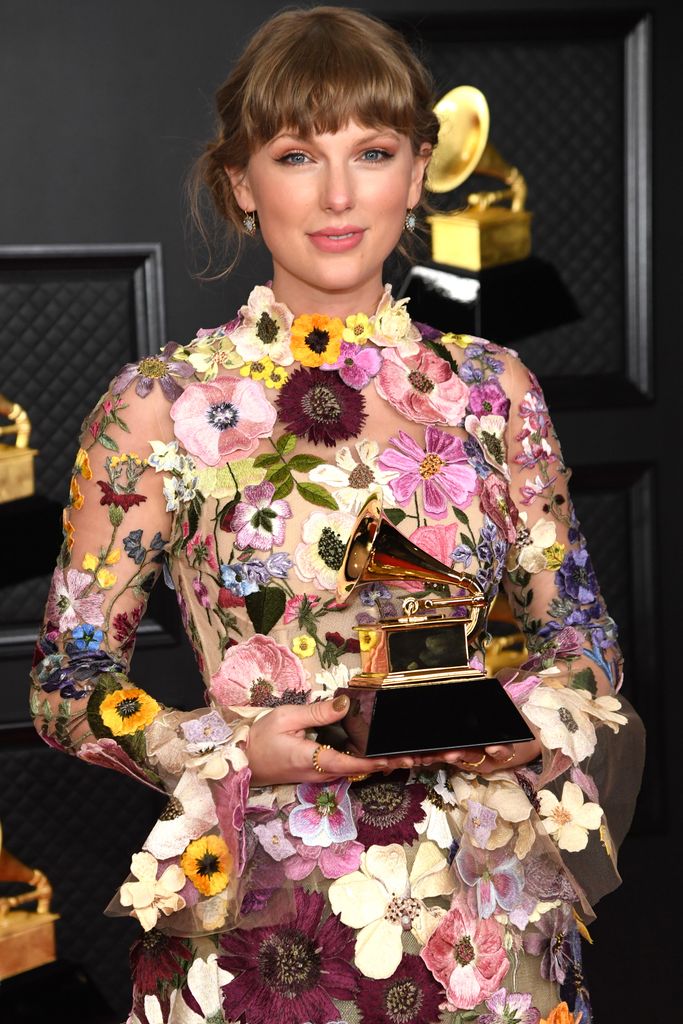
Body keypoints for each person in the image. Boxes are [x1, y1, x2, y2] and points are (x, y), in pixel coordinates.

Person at [30, 6, 645, 1024]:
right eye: (293, 153)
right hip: (263, 924)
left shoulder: (494, 393)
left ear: (414, 173)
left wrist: (526, 724)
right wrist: (218, 745)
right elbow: (67, 681)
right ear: (240, 183)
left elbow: (580, 636)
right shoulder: (158, 409)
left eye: (370, 151)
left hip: (483, 930)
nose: (336, 193)